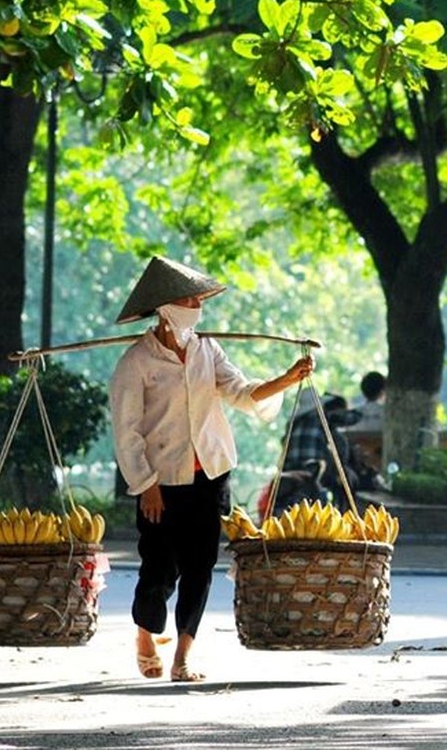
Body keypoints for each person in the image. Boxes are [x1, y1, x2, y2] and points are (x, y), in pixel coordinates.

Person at [109, 255, 313, 683]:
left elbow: (241, 391)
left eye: (198, 298)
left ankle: (183, 654)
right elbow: (126, 432)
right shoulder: (136, 363)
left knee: (200, 564)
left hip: (211, 473)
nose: (196, 305)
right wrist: (144, 483)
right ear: (165, 308)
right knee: (159, 566)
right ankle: (146, 633)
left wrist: (287, 378)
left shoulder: (207, 350)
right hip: (161, 480)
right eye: (188, 298)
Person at [283, 388, 362, 506]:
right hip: (312, 469)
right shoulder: (321, 418)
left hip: (289, 469)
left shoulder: (293, 423)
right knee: (344, 480)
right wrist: (365, 410)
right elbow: (352, 417)